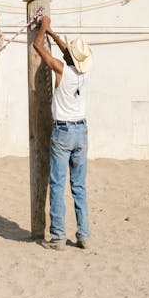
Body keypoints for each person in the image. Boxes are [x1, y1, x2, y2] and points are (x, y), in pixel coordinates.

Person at [33, 14, 93, 251]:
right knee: (79, 185)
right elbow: (67, 50)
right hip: (81, 130)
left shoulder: (62, 70)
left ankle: (58, 236)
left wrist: (43, 29)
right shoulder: (84, 73)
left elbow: (38, 47)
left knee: (57, 184)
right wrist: (52, 32)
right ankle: (84, 235)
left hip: (63, 131)